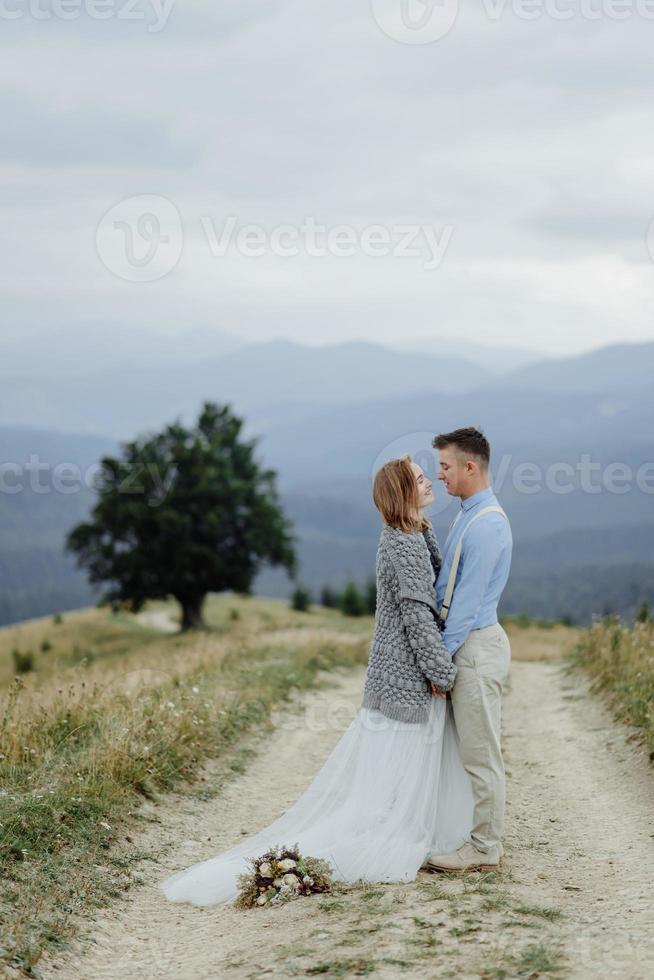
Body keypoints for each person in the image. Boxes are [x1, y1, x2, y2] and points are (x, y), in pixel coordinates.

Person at [159, 455, 473, 907]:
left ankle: (415, 828)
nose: (430, 483)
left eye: (427, 476)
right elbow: (415, 617)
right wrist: (442, 672)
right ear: (404, 493)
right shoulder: (403, 543)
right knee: (397, 764)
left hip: (405, 674)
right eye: (421, 480)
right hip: (404, 676)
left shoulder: (415, 533)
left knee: (403, 764)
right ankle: (385, 835)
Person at [423, 427, 513, 873]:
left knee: (481, 751)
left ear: (469, 467)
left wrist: (438, 662)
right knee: (468, 749)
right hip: (467, 645)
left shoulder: (487, 524)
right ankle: (470, 834)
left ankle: (485, 847)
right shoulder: (467, 513)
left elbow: (465, 605)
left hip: (474, 647)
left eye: (444, 466)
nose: (438, 475)